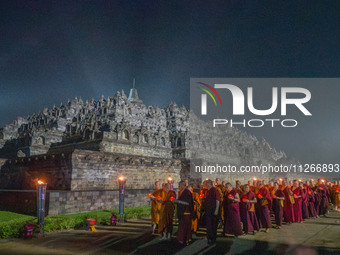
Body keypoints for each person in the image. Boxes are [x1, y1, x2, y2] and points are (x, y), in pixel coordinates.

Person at [203, 179, 220, 245]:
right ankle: (209, 237)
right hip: (208, 211)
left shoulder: (214, 190)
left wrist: (216, 210)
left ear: (208, 184)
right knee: (209, 225)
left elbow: (217, 200)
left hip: (213, 211)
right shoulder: (208, 191)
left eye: (206, 184)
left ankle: (213, 239)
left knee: (213, 226)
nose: (205, 185)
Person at [177, 181, 194, 245]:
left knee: (185, 227)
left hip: (186, 213)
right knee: (183, 227)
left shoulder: (187, 193)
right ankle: (183, 239)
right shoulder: (183, 192)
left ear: (182, 185)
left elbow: (188, 203)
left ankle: (186, 239)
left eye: (179, 185)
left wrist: (178, 202)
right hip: (183, 213)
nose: (179, 187)